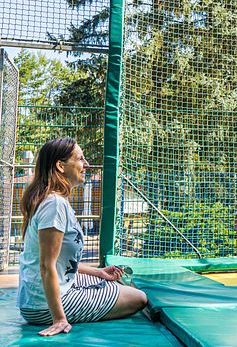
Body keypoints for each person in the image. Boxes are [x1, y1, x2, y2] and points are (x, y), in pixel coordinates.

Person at [16, 137, 147, 336]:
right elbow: (45, 266)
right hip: (42, 307)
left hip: (38, 298)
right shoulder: (54, 205)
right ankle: (58, 312)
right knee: (138, 297)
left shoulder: (54, 200)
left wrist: (99, 272)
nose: (86, 164)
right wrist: (59, 318)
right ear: (60, 166)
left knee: (112, 282)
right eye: (80, 159)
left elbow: (60, 262)